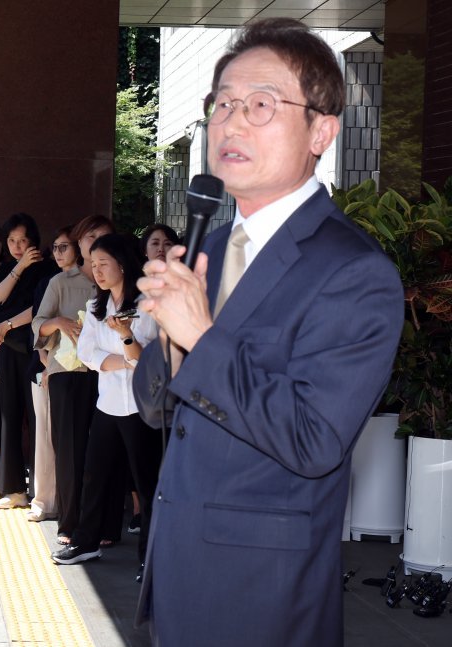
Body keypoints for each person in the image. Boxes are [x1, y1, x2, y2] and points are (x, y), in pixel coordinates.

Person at [132, 19, 403, 646]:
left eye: (261, 104)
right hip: (176, 571)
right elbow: (157, 407)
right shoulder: (210, 244)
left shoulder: (354, 270)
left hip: (262, 594)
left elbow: (315, 439)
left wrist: (200, 336)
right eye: (222, 103)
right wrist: (170, 340)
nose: (231, 122)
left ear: (322, 130)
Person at [52, 233, 159, 570]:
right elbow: (87, 352)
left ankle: (151, 560)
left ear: (123, 265)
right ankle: (86, 543)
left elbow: (145, 358)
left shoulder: (147, 304)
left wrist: (125, 340)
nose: (96, 271)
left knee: (147, 483)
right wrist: (124, 359)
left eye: (103, 264)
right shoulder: (97, 306)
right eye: (93, 264)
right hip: (108, 403)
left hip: (141, 407)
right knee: (93, 475)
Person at [0, 213, 56, 510]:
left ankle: (42, 489)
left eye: (22, 241)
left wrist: (8, 326)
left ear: (34, 241)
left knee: (39, 419)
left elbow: (39, 308)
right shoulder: (7, 267)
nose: (17, 246)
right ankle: (14, 489)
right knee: (10, 417)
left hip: (34, 349)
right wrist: (19, 266)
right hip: (7, 351)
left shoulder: (48, 270)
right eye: (12, 241)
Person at [26, 226, 87, 522]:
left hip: (105, 371)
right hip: (67, 369)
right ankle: (69, 517)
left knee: (97, 448)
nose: (58, 253)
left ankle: (98, 521)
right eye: (55, 247)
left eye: (64, 247)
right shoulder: (58, 281)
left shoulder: (102, 279)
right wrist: (60, 322)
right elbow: (39, 325)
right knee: (66, 447)